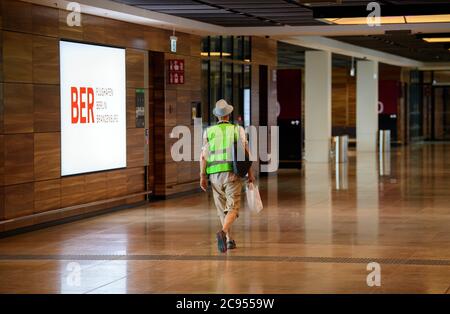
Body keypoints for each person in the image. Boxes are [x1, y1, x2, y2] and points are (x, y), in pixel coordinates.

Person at [199, 99, 255, 253]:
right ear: (229, 115)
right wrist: (250, 174)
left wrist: (202, 176)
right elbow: (245, 153)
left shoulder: (208, 132)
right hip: (232, 174)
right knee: (233, 208)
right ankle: (223, 233)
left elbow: (203, 156)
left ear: (217, 116)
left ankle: (230, 240)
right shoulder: (237, 130)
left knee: (222, 208)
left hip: (214, 176)